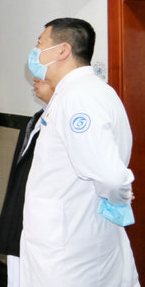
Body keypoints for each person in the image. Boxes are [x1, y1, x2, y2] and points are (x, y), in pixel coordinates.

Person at [20, 18, 138, 286]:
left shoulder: (80, 97)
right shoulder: (75, 93)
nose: (35, 51)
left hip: (71, 242)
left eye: (40, 43)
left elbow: (110, 177)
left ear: (63, 50)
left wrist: (118, 200)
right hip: (70, 233)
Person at [0, 78, 53, 287]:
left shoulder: (62, 118)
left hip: (45, 210)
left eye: (43, 79)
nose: (35, 82)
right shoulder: (38, 116)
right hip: (23, 200)